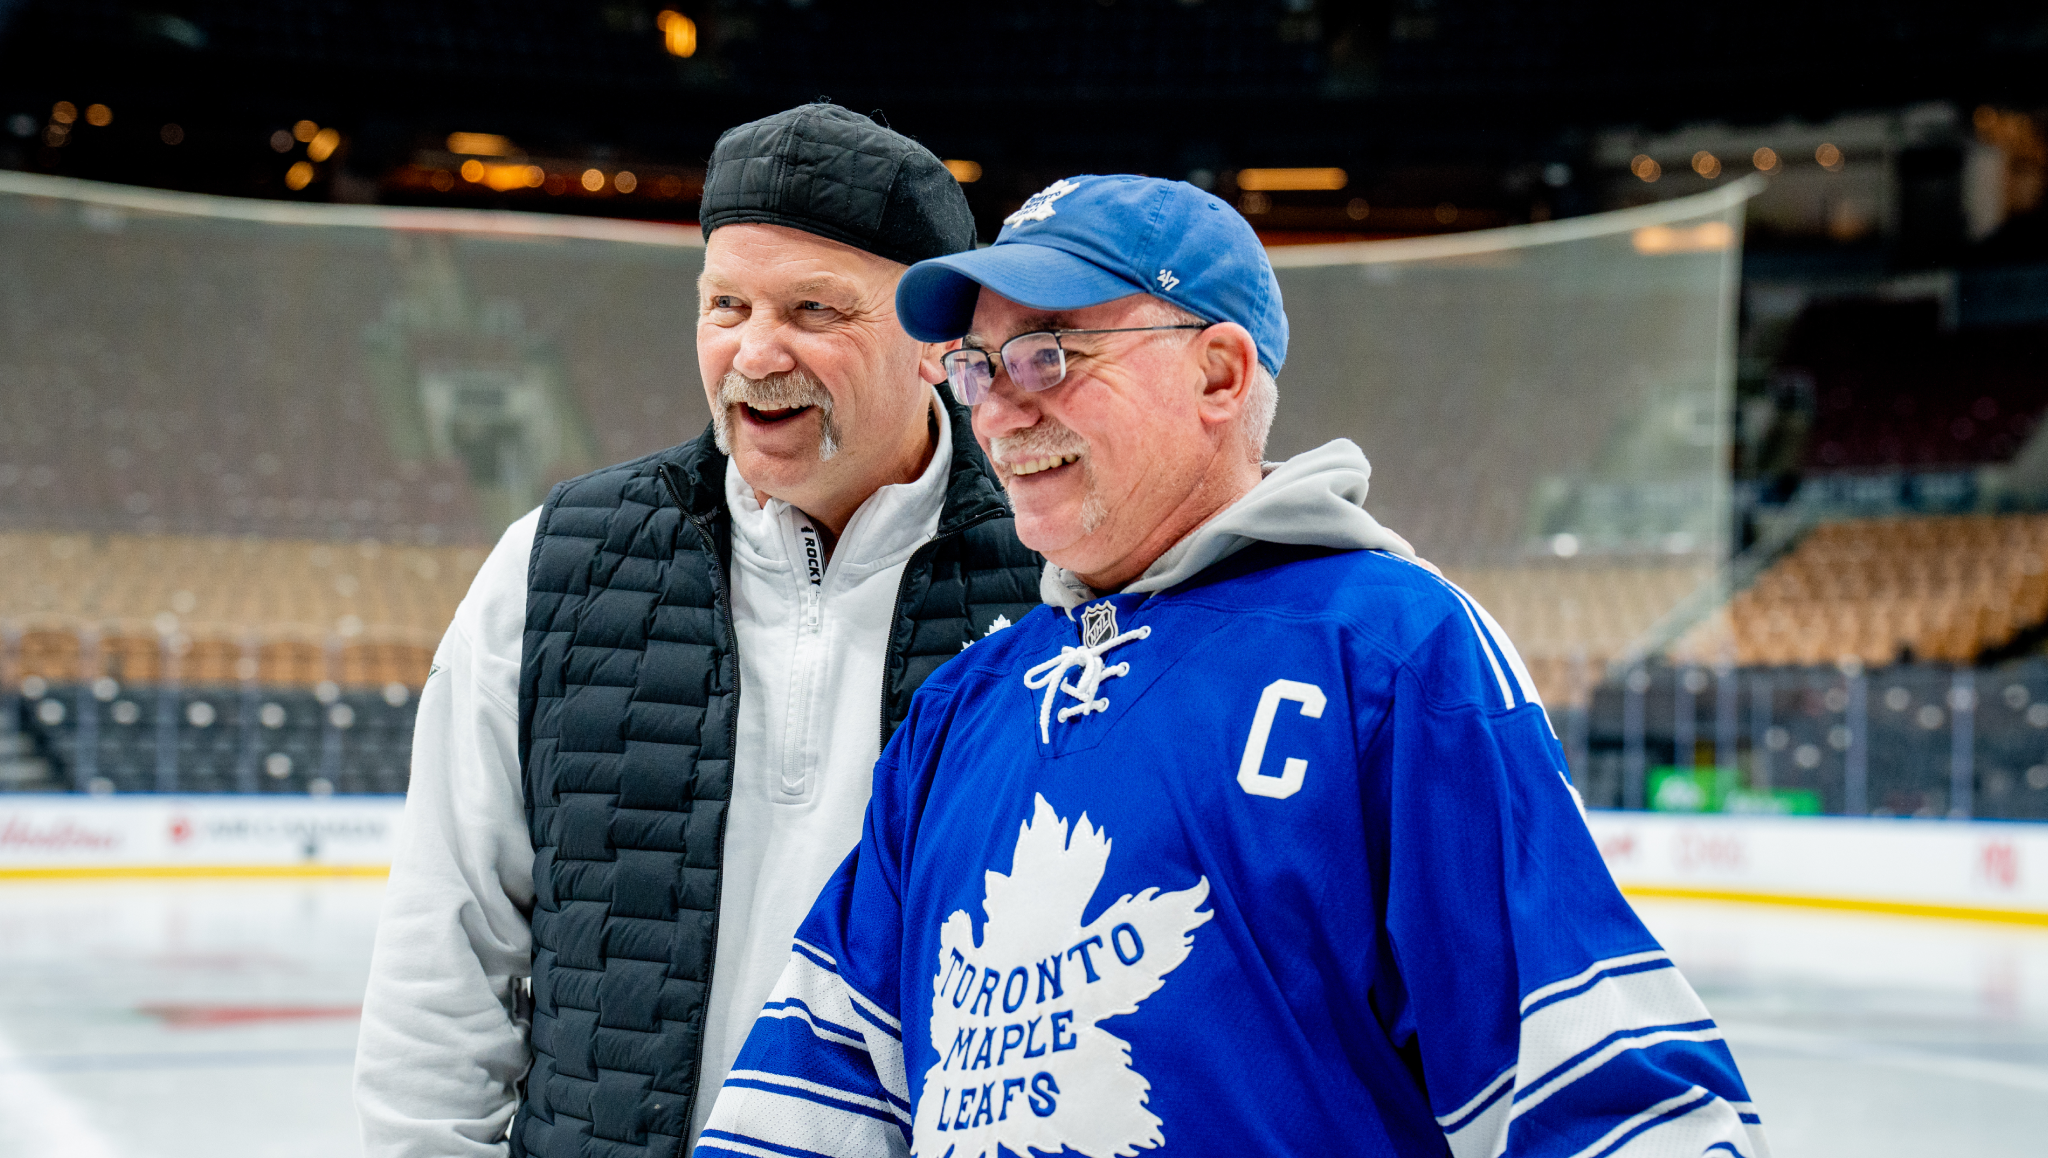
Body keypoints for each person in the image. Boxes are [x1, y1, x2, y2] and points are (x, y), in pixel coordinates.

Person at [695, 175, 1769, 1158]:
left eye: (1049, 354)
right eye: (978, 366)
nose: (999, 411)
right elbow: (814, 1098)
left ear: (1218, 372)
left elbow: (1604, 1100)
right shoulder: (964, 708)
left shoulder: (1384, 652)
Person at [352, 104, 1044, 1158]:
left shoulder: (1056, 587)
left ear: (935, 346)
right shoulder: (555, 565)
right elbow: (444, 958)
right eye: (725, 304)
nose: (754, 351)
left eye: (814, 309)